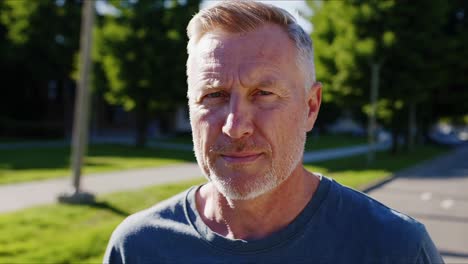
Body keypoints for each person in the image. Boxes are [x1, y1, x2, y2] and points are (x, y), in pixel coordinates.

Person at [104, 1, 443, 263]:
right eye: (213, 95)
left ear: (310, 107)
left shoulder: (394, 248)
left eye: (263, 94)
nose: (235, 126)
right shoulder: (138, 247)